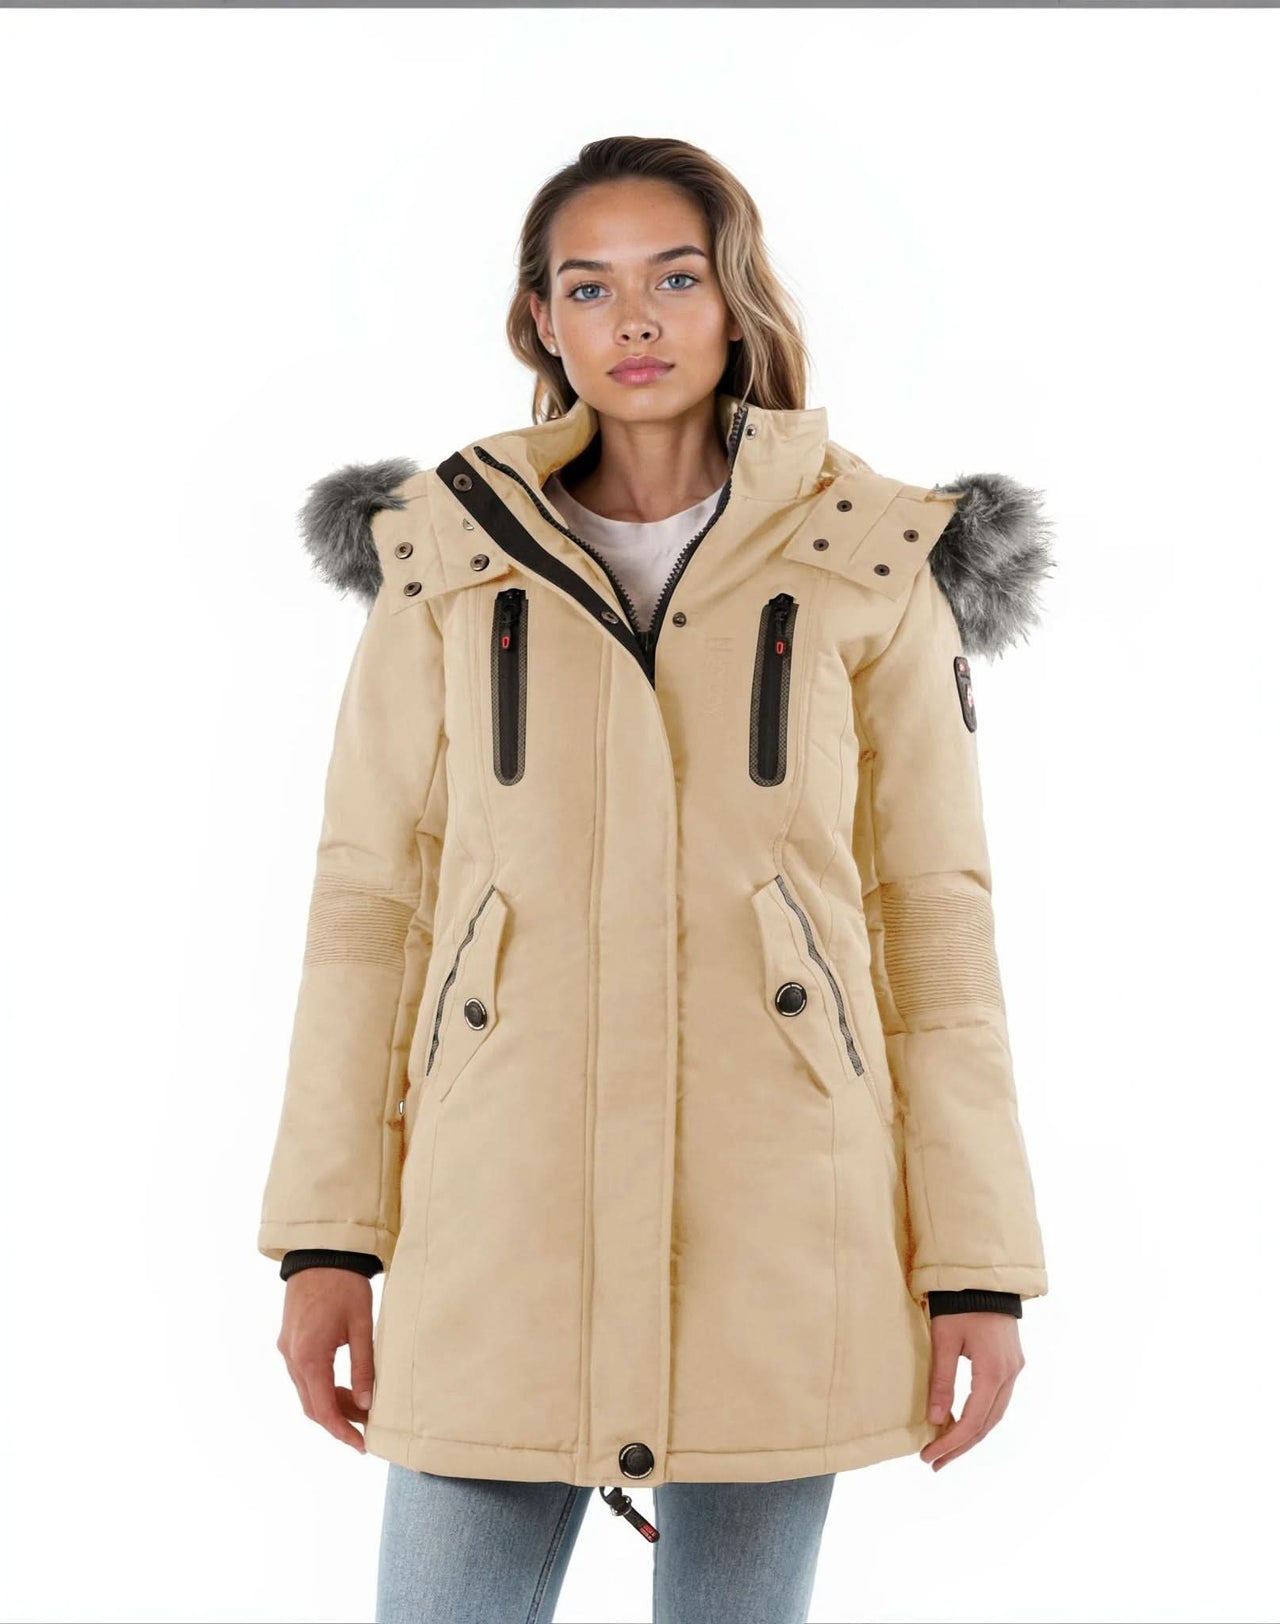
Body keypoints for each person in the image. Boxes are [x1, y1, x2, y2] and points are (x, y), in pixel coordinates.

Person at [258, 134, 1053, 1624]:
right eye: (590, 285)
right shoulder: (445, 559)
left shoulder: (869, 558)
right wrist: (326, 1240)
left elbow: (933, 922)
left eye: (674, 279)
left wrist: (977, 1267)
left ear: (735, 300)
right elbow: (371, 910)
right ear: (540, 320)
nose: (634, 319)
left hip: (781, 1227)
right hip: (498, 1222)